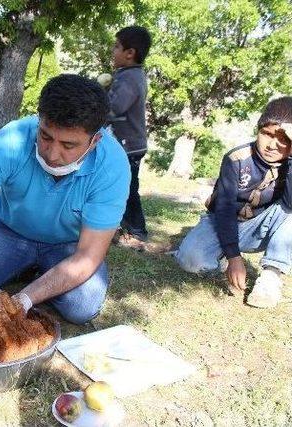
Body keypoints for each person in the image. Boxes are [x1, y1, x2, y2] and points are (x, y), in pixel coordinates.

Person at [0, 74, 131, 331]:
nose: (52, 154)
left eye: (68, 145)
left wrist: (24, 299)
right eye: (46, 136)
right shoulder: (13, 139)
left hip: (68, 245)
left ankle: (25, 271)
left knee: (83, 306)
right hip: (9, 233)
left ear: (95, 141)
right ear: (39, 121)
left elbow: (88, 255)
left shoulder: (112, 165)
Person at [175, 96, 292, 308]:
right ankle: (221, 255)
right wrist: (234, 257)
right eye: (266, 133)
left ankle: (271, 277)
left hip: (261, 226)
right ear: (258, 130)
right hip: (224, 221)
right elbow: (224, 208)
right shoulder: (236, 158)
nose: (273, 144)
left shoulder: (289, 164)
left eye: (284, 139)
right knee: (190, 262)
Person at [107, 25, 152, 249]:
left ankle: (138, 231)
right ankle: (118, 225)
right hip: (127, 145)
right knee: (118, 185)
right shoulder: (127, 75)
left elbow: (115, 108)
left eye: (116, 46)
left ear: (130, 53)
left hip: (129, 146)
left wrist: (95, 108)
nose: (112, 51)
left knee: (127, 189)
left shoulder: (130, 78)